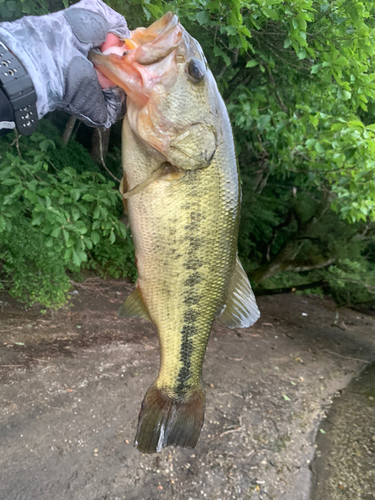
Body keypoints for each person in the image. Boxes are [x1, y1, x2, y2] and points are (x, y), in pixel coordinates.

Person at [0, 0, 128, 137]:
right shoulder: (106, 19)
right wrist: (111, 59)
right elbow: (106, 13)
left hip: (11, 101)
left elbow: (107, 116)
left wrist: (114, 86)